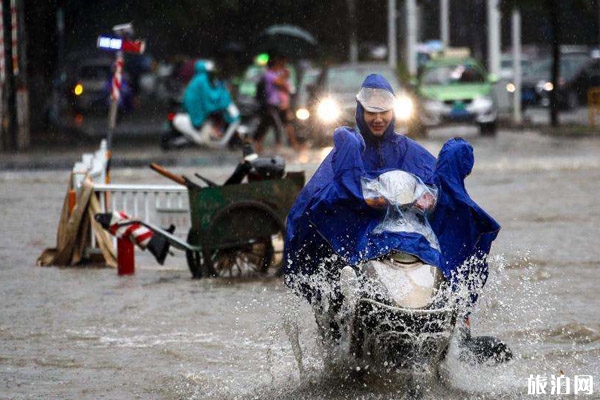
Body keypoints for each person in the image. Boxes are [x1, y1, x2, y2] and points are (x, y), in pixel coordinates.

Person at [283, 74, 508, 360]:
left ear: (394, 113)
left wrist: (429, 199)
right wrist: (356, 200)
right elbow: (318, 198)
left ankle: (460, 329)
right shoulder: (347, 152)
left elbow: (439, 189)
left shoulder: (412, 152)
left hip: (410, 240)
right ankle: (338, 336)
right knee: (337, 277)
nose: (378, 119)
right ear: (360, 113)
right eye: (371, 113)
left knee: (448, 276)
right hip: (359, 240)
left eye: (384, 113)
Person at [176, 60, 238, 145]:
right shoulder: (203, 80)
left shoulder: (196, 79)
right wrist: (221, 96)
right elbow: (209, 96)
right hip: (198, 110)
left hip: (193, 108)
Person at [253, 54, 299, 153]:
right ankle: (275, 145)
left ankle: (258, 144)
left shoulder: (275, 74)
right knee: (274, 125)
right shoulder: (268, 74)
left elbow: (286, 87)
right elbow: (280, 83)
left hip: (277, 105)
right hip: (270, 104)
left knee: (270, 124)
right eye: (279, 64)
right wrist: (285, 75)